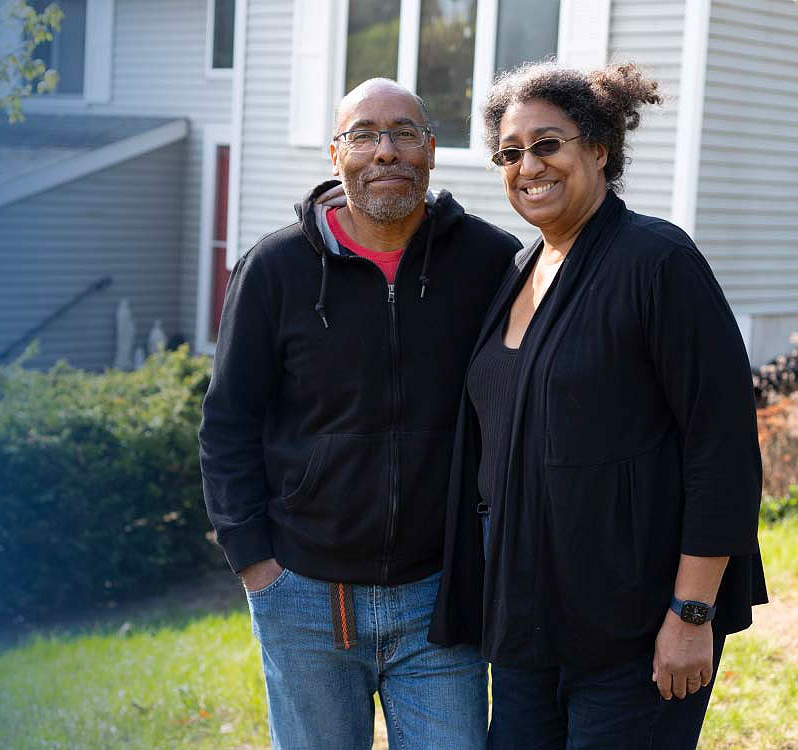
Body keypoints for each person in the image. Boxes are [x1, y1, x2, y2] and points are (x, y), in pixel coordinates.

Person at [428, 61, 768, 750]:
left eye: (548, 143)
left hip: (635, 624)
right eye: (511, 152)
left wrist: (692, 613)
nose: (529, 165)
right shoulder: (525, 267)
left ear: (599, 148)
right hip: (525, 619)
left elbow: (722, 448)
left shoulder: (655, 260)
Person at [199, 79, 520, 750]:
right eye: (364, 134)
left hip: (442, 596)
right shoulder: (274, 268)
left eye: (405, 133)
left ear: (431, 150)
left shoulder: (490, 262)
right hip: (304, 595)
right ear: (336, 152)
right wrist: (254, 561)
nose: (386, 151)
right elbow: (228, 422)